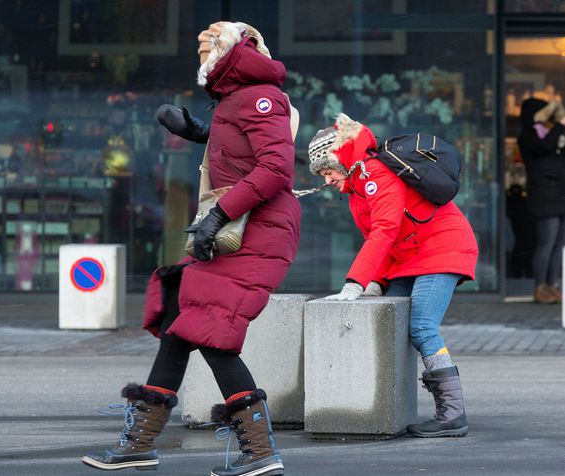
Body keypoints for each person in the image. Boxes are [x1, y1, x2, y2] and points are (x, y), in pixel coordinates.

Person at [83, 21, 300, 476]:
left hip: (256, 229)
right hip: (240, 225)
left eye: (207, 52)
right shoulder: (235, 97)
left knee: (210, 329)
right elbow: (240, 147)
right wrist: (196, 130)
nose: (200, 61)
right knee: (183, 324)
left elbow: (276, 168)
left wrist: (218, 216)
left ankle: (260, 452)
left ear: (227, 55)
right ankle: (140, 444)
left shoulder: (261, 94)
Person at [307, 114, 478, 438]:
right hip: (412, 257)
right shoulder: (356, 189)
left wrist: (354, 284)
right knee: (393, 321)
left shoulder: (374, 173)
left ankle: (453, 413)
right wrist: (377, 282)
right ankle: (394, 407)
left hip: (443, 248)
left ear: (340, 161)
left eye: (327, 171)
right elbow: (386, 239)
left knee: (422, 326)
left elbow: (385, 231)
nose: (327, 180)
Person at [517, 98, 565, 304]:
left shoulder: (553, 134)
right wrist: (560, 126)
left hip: (561, 194)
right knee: (546, 242)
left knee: (559, 244)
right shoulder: (528, 135)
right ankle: (540, 286)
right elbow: (544, 147)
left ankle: (553, 285)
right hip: (543, 196)